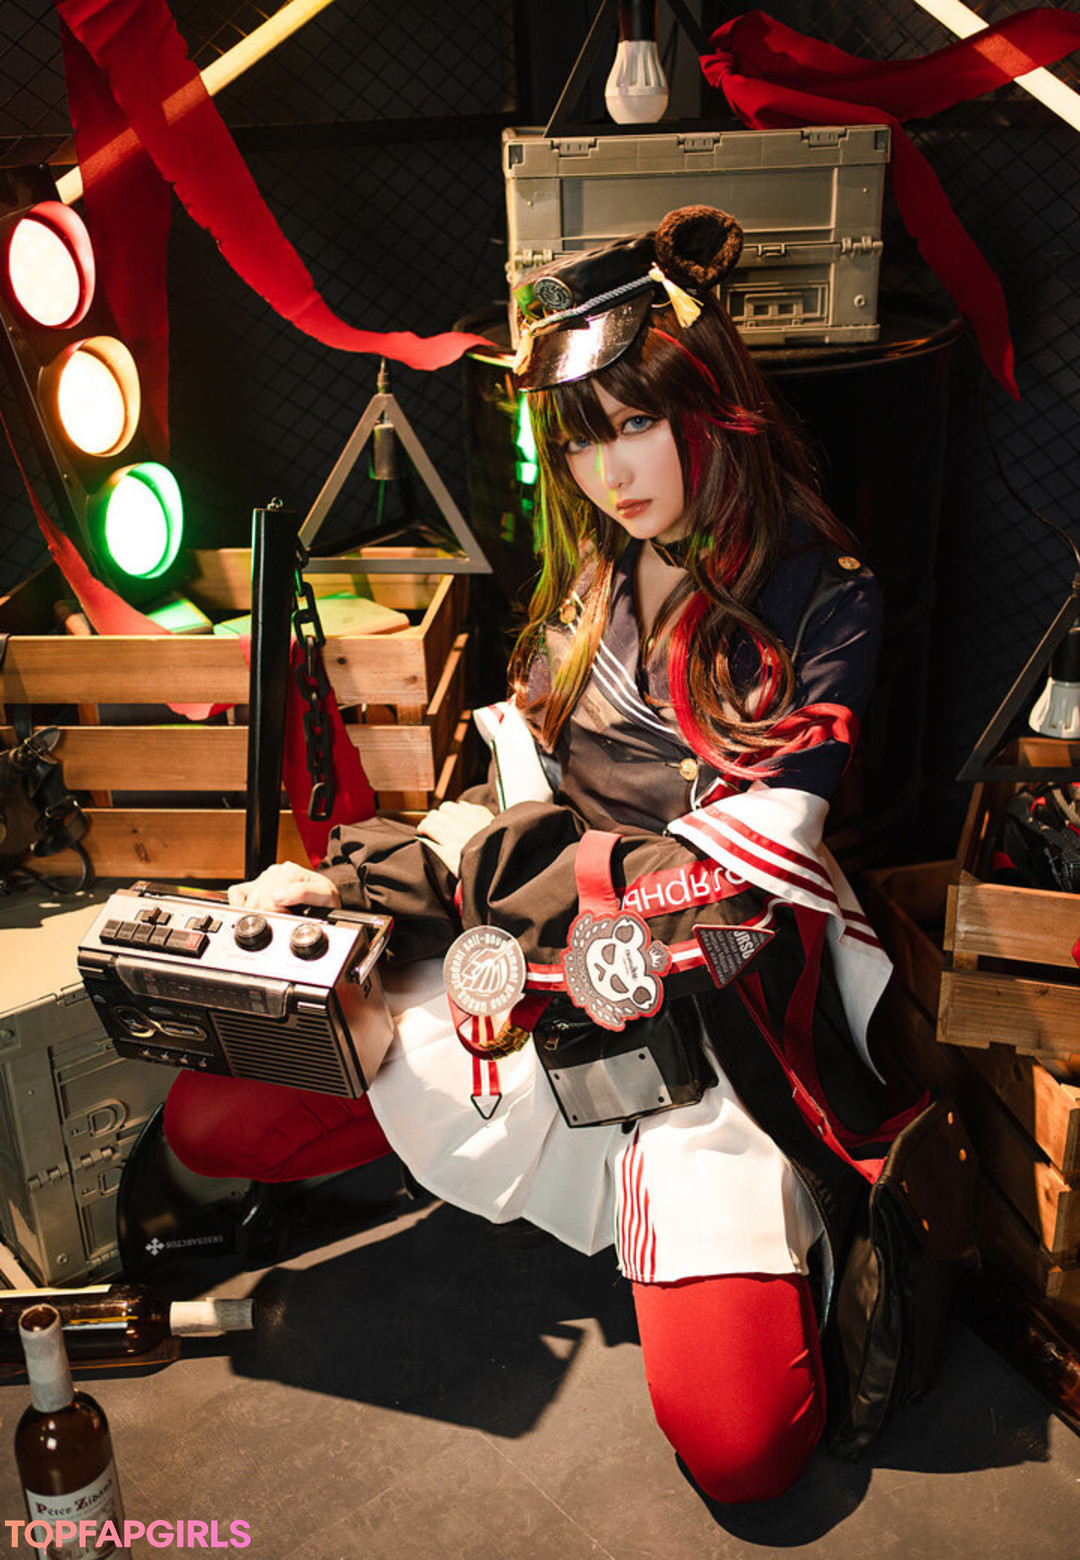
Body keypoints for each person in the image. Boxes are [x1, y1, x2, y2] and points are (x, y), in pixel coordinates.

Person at [164, 206, 971, 1504]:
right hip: (548, 976)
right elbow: (507, 797)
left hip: (713, 1023)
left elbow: (725, 880)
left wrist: (489, 878)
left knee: (745, 1450)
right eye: (582, 438)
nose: (610, 472)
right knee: (213, 1118)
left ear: (708, 400)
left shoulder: (827, 596)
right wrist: (349, 887)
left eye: (635, 422)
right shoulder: (584, 592)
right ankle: (482, 1152)